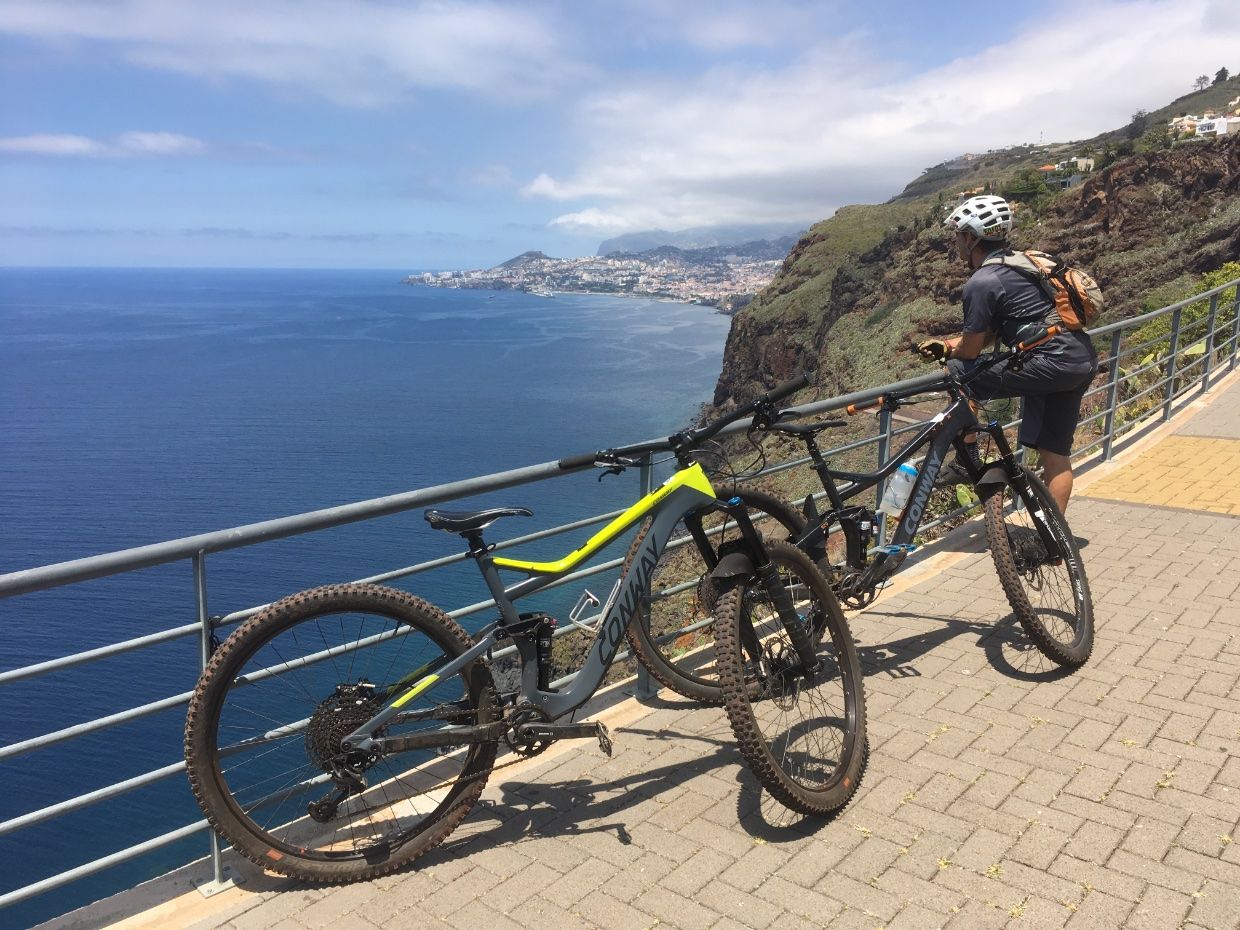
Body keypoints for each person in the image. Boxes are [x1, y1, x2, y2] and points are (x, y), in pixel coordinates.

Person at [918, 194, 1097, 513]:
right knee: (1054, 454)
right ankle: (1053, 541)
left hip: (1049, 361)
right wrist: (947, 345)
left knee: (960, 371)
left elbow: (971, 351)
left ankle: (965, 457)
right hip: (1078, 358)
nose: (956, 243)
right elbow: (989, 335)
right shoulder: (1022, 262)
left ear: (971, 237)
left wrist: (952, 353)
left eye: (958, 236)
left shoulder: (982, 282)